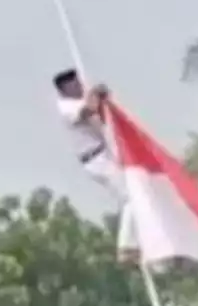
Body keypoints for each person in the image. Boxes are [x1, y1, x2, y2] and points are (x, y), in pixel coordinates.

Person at [52, 68, 138, 262]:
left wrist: (102, 97)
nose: (80, 86)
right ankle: (126, 247)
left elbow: (98, 112)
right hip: (94, 159)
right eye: (74, 84)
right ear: (65, 88)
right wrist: (94, 95)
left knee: (131, 196)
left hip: (104, 154)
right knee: (130, 197)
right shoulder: (66, 107)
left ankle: (133, 243)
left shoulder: (78, 101)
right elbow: (87, 111)